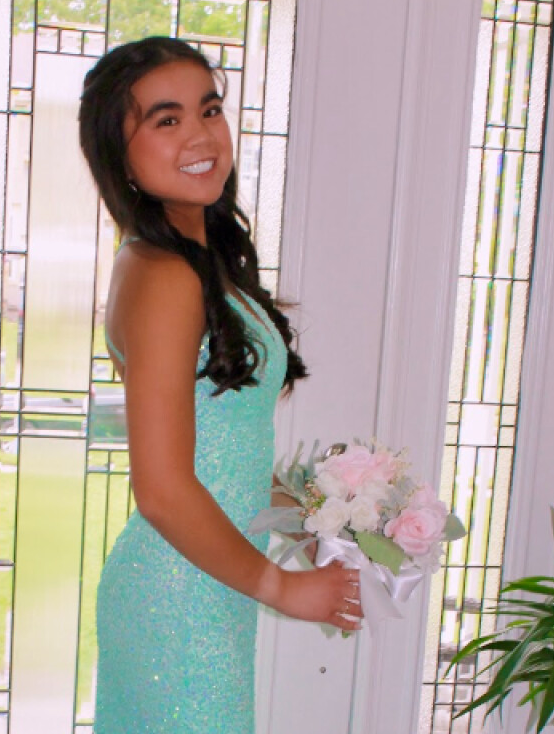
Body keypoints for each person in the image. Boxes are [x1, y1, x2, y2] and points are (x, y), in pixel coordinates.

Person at [78, 36, 361, 734]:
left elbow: (221, 448)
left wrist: (316, 516)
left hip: (201, 587)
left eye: (209, 110)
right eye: (166, 119)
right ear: (120, 154)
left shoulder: (187, 263)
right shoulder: (164, 275)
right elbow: (164, 489)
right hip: (180, 598)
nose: (201, 135)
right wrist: (281, 587)